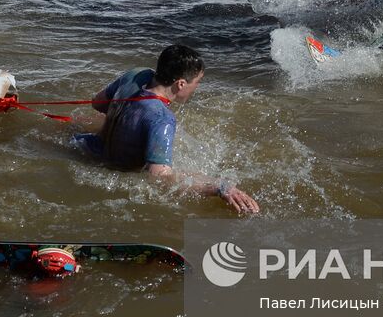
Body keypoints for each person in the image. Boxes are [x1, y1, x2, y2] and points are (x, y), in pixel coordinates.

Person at [76, 45, 260, 215]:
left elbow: (97, 103)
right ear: (180, 84)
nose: (197, 87)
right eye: (197, 82)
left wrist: (127, 121)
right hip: (112, 173)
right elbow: (159, 177)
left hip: (87, 148)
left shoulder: (136, 74)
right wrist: (218, 187)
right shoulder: (162, 119)